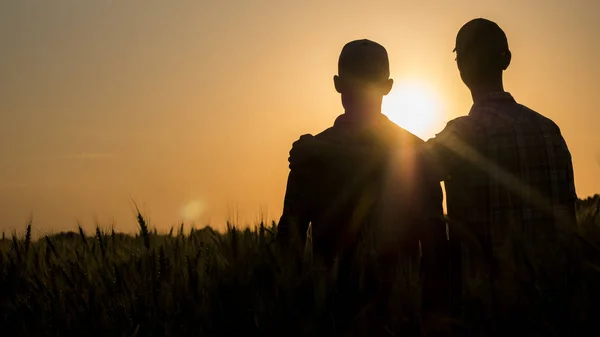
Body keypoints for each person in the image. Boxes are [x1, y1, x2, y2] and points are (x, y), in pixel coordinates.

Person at [288, 18, 578, 319]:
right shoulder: (551, 132)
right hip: (558, 308)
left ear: (461, 67)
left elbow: (400, 166)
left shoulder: (465, 135)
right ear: (506, 59)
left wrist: (323, 149)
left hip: (488, 311)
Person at [277, 39, 445, 268]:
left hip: (331, 301)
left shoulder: (309, 155)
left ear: (337, 84)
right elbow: (436, 248)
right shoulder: (418, 154)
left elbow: (287, 247)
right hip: (399, 301)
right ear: (388, 86)